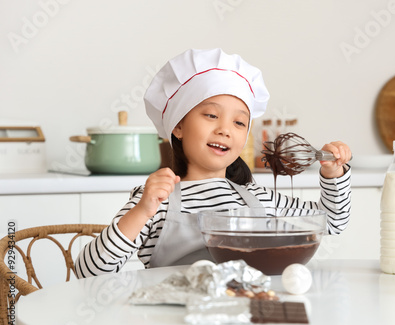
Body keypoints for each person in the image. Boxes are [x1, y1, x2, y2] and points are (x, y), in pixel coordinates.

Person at [75, 48, 352, 278]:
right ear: (179, 126)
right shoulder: (156, 200)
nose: (225, 129)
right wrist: (142, 210)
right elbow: (89, 272)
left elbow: (331, 221)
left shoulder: (256, 197)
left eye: (239, 122)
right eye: (210, 115)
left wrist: (333, 174)